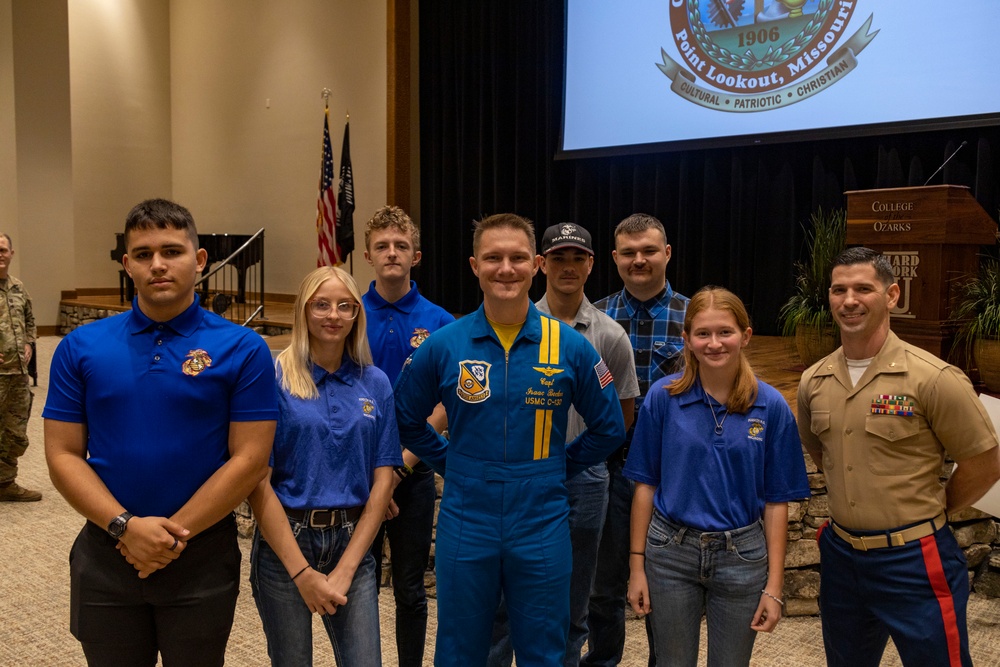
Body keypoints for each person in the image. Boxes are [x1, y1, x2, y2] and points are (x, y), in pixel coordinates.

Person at [43, 199, 278, 666]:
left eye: (172, 251)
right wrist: (125, 527)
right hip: (106, 553)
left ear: (200, 259)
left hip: (200, 557)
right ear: (127, 264)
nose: (159, 264)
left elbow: (250, 459)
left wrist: (170, 537)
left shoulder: (243, 348)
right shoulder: (80, 347)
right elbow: (63, 455)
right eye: (144, 253)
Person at [394, 213, 626, 666]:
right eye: (493, 258)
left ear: (536, 264)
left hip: (541, 517)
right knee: (460, 647)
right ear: (473, 265)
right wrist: (450, 462)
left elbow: (610, 428)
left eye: (518, 258)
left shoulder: (572, 347)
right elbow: (404, 420)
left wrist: (560, 468)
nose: (506, 268)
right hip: (467, 516)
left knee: (545, 649)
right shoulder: (443, 345)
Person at [798, 247, 1000, 667]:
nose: (849, 300)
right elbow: (822, 454)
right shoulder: (813, 380)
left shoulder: (933, 378)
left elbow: (985, 461)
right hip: (842, 556)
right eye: (839, 289)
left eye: (863, 289)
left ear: (891, 295)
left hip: (914, 559)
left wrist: (937, 508)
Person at [625, 286, 810, 666]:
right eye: (703, 333)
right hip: (669, 552)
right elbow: (645, 485)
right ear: (687, 340)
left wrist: (775, 587)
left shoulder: (771, 405)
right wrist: (636, 566)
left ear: (745, 336)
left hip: (741, 556)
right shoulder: (663, 397)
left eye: (725, 332)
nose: (714, 343)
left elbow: (777, 501)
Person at [488, 222, 639, 667]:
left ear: (592, 264)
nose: (568, 267)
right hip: (518, 478)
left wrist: (571, 461)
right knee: (502, 604)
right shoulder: (514, 325)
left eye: (577, 258)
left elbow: (620, 417)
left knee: (574, 603)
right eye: (558, 258)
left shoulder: (610, 336)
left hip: (583, 481)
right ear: (541, 264)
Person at [248, 266, 400, 667]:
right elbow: (257, 481)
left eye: (344, 306)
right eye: (321, 305)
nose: (333, 315)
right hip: (287, 544)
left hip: (353, 542)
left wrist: (347, 569)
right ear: (303, 311)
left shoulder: (376, 382)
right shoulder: (274, 377)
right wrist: (302, 574)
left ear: (356, 315)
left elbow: (383, 479)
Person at [588, 213, 689, 666]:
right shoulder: (594, 318)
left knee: (666, 584)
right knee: (602, 584)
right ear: (614, 258)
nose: (639, 260)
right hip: (610, 467)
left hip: (673, 472)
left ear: (666, 253)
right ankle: (603, 660)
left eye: (648, 250)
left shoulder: (695, 318)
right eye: (628, 253)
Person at [361, 205, 453, 667]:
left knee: (411, 589)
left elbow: (444, 405)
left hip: (412, 475)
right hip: (355, 474)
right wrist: (378, 473)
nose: (392, 253)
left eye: (401, 245)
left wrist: (399, 468)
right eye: (383, 246)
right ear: (367, 255)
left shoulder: (440, 322)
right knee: (360, 583)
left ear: (416, 255)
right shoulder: (348, 313)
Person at [0, 232, 40, 502]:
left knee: (15, 432)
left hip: (18, 376)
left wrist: (28, 343)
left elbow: (30, 321)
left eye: (3, 250)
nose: (0, 255)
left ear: (11, 253)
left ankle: (5, 483)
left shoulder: (18, 287)